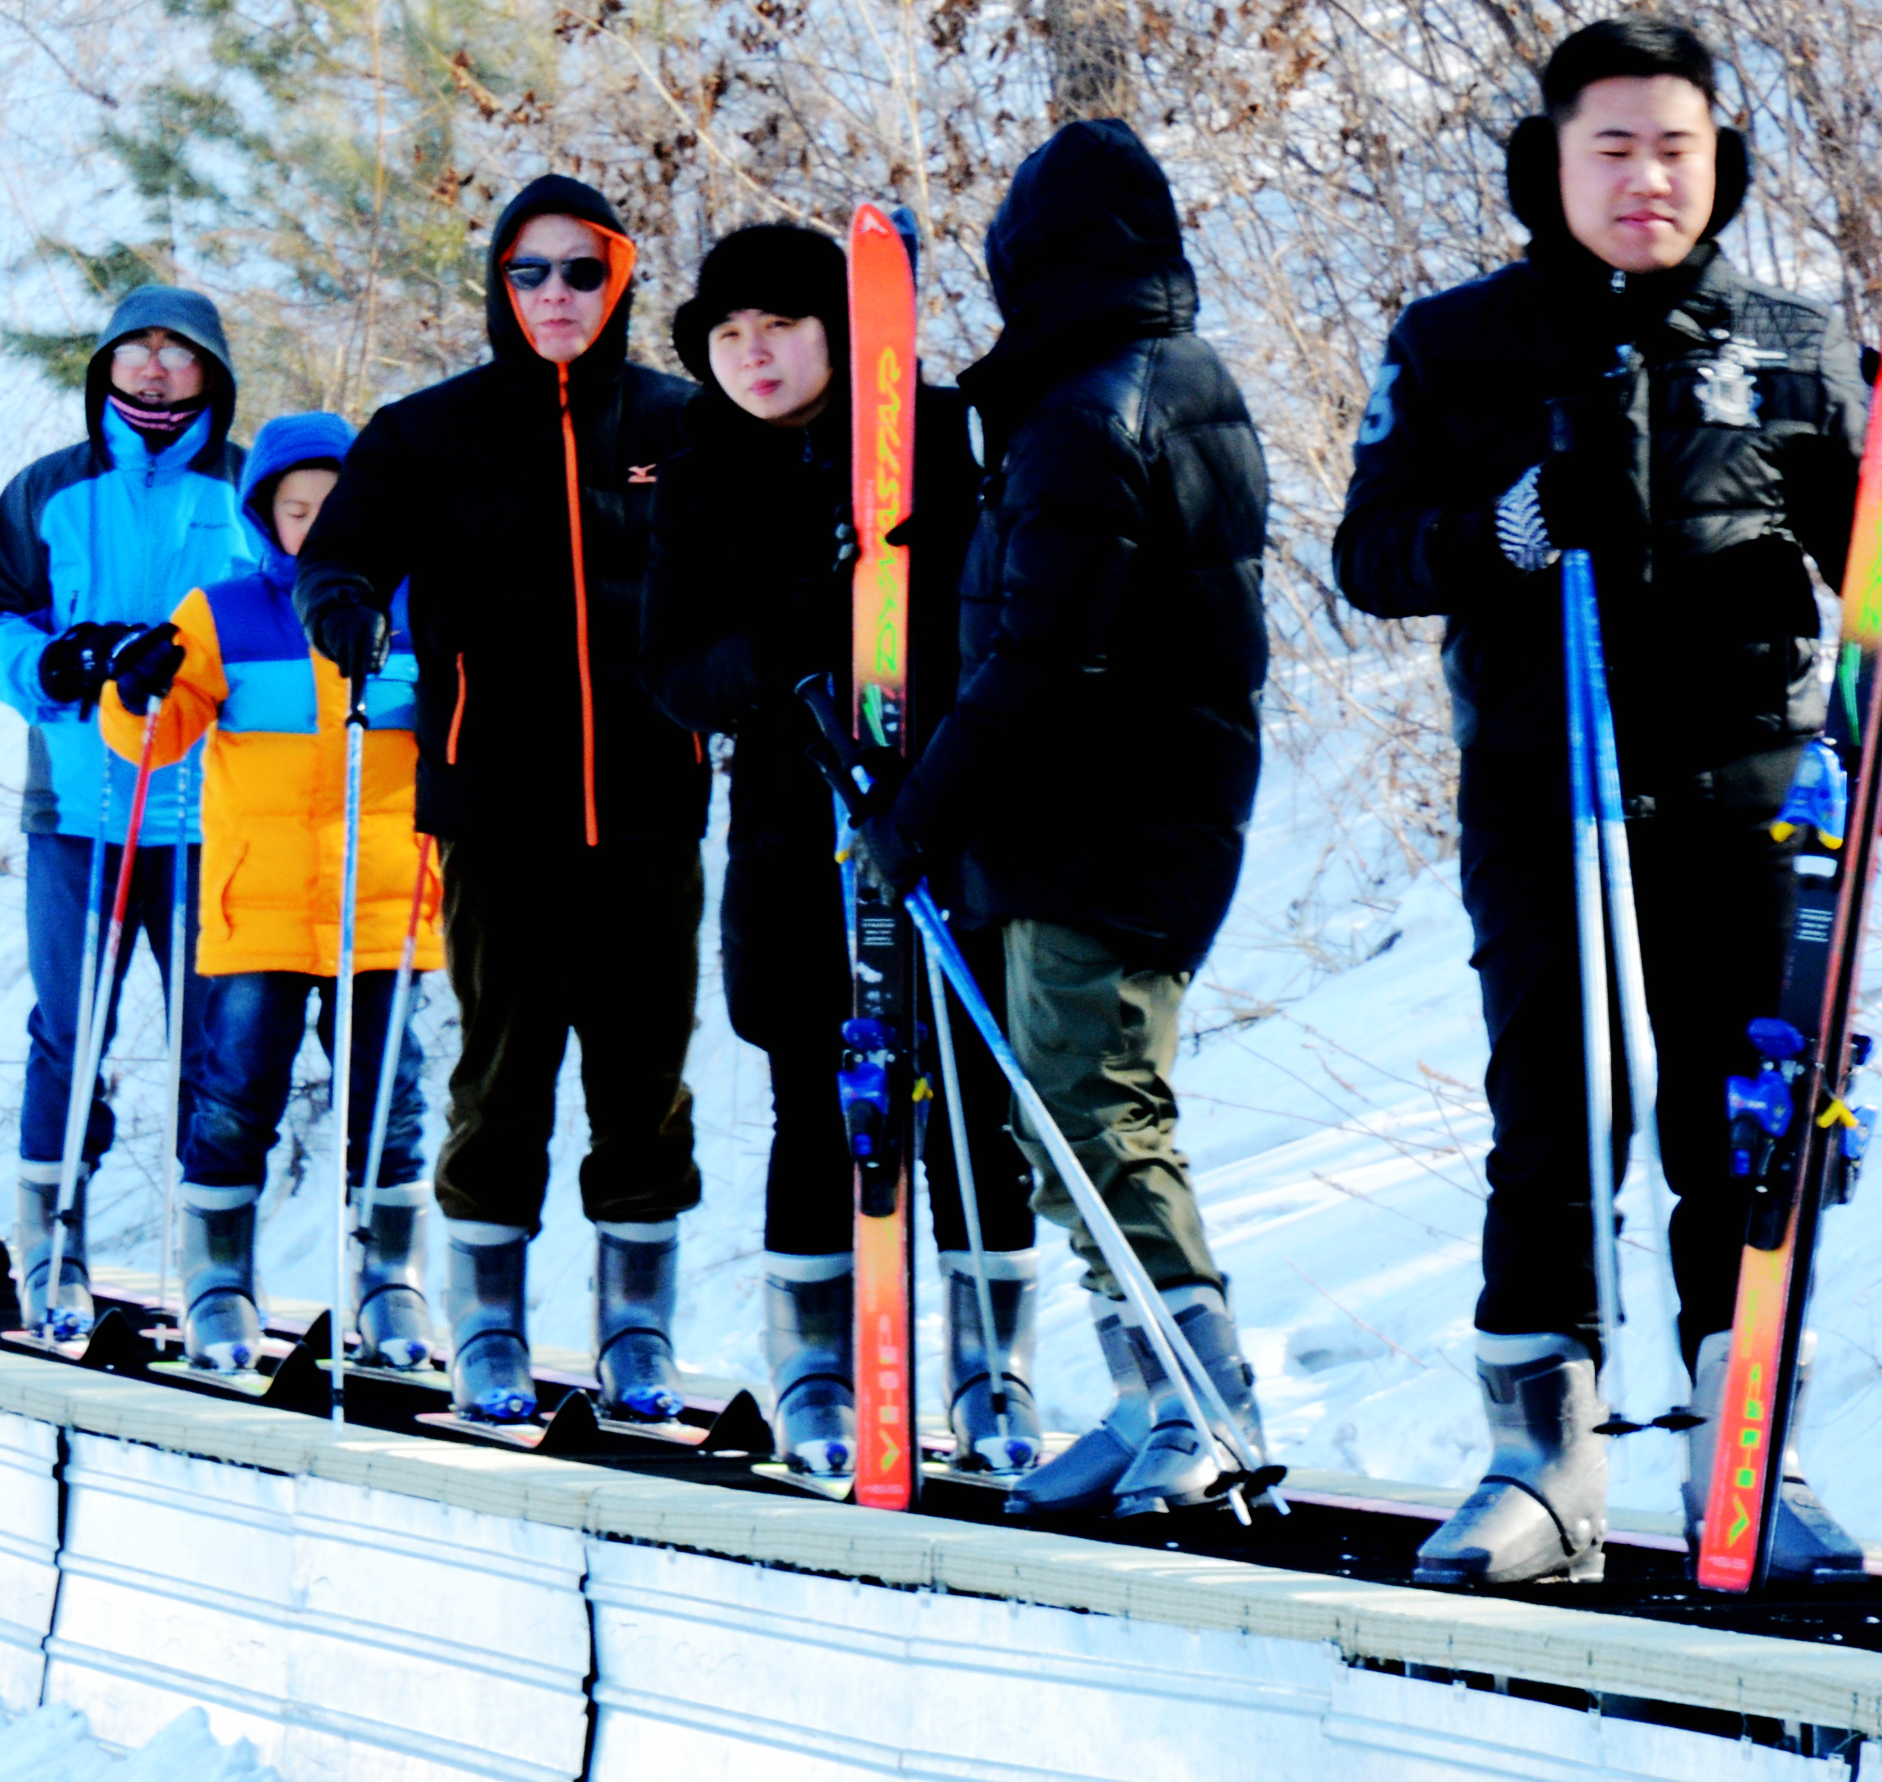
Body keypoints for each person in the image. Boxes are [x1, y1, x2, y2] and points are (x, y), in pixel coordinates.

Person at [1332, 14, 1882, 1590]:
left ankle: (1747, 1449)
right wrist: (1511, 523)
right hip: (1546, 778)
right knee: (1550, 1113)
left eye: (1676, 147)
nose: (1646, 178)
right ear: (1548, 164)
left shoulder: (1786, 341)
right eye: (1612, 146)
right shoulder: (1459, 342)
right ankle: (1539, 1465)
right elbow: (1371, 554)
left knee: (1745, 1120)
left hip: (1748, 774)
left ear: (1721, 165)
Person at [876, 124, 1283, 1513]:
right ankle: (1143, 1388)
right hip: (1144, 802)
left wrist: (918, 813)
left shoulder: (1086, 413)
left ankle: (1202, 1398)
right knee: (1070, 1108)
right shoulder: (1175, 383)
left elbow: (1044, 655)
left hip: (1103, 812)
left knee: (1094, 1105)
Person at [292, 174, 711, 1423]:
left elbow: (765, 552)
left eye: (580, 271)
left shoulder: (681, 423)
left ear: (619, 280)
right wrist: (344, 610)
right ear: (498, 286)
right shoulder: (432, 431)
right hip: (494, 809)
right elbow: (339, 550)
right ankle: (489, 1324)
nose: (554, 296)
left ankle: (634, 1328)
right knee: (503, 1069)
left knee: (642, 1075)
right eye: (528, 273)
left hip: (649, 802)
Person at [648, 220, 1033, 1481]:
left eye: (780, 327)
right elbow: (674, 676)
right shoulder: (699, 474)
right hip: (790, 829)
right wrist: (780, 646)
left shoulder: (945, 437)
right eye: (728, 336)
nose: (751, 356)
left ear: (842, 330)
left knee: (970, 1108)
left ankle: (991, 1375)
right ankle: (818, 1366)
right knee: (818, 1104)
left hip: (950, 813)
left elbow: (1008, 604)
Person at [99, 411, 440, 1373]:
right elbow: (153, 740)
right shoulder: (224, 613)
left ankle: (391, 1282)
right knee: (236, 1092)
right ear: (266, 519)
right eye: (296, 511)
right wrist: (137, 690)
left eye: (335, 509)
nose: (315, 525)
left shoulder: (416, 607)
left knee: (389, 1098)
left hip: (383, 898)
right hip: (261, 902)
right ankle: (218, 1279)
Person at [0, 282, 255, 1340]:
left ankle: (215, 1261)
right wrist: (48, 660)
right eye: (138, 350)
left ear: (210, 370)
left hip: (217, 813)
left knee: (216, 1044)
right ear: (107, 368)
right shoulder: (50, 490)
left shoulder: (249, 484)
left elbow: (301, 609)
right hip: (78, 808)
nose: (156, 371)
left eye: (178, 354)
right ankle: (52, 1240)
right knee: (68, 1030)